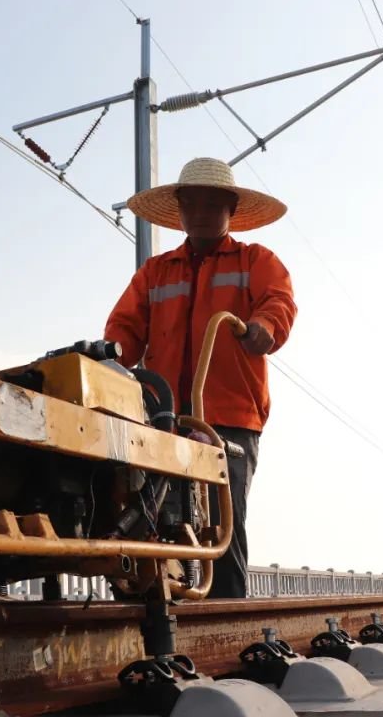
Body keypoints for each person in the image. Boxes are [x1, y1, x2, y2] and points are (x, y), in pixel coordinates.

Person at [105, 157, 298, 598]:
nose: (201, 213)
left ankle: (225, 609)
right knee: (147, 509)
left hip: (229, 414)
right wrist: (111, 356)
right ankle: (152, 601)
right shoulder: (156, 270)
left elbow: (279, 301)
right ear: (181, 210)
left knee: (221, 519)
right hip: (163, 415)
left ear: (230, 209)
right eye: (192, 204)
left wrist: (265, 327)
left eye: (213, 204)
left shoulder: (255, 260)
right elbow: (125, 328)